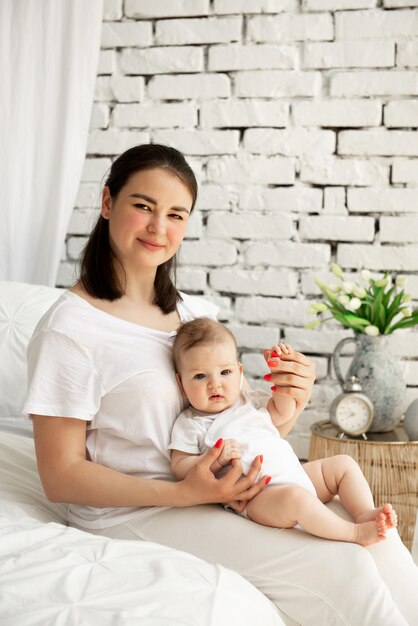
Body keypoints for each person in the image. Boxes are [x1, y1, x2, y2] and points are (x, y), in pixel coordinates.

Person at [24, 143, 418, 626]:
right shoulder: (72, 329)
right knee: (344, 565)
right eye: (143, 206)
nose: (158, 228)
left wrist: (290, 400)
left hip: (229, 492)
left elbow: (234, 419)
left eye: (176, 214)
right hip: (138, 510)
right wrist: (186, 493)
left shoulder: (194, 315)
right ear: (107, 203)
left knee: (381, 542)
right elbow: (60, 475)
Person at [170, 318, 397, 547]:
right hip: (259, 497)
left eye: (225, 372)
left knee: (343, 465)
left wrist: (281, 380)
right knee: (298, 500)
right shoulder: (192, 422)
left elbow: (282, 412)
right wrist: (213, 461)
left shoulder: (252, 400)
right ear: (181, 384)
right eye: (200, 376)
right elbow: (180, 467)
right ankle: (355, 533)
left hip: (296, 473)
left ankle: (364, 512)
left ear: (239, 372)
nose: (214, 384)